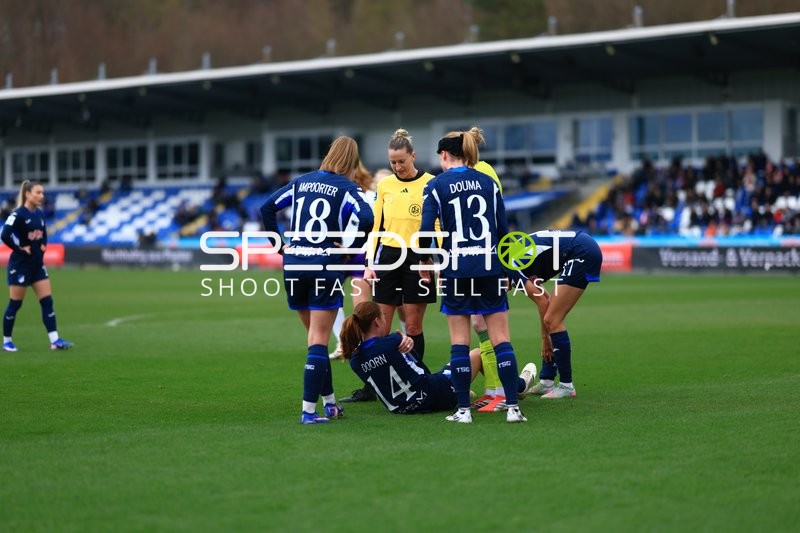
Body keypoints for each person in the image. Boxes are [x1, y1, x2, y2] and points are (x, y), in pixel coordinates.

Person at [260, 136, 374, 425]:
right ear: (352, 161)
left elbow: (267, 208)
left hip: (294, 265)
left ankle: (330, 404)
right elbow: (367, 218)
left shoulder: (302, 182)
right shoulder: (347, 187)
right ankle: (309, 412)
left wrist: (280, 247)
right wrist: (349, 250)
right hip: (323, 265)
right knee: (319, 341)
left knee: (315, 341)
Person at [419, 131, 527, 424]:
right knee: (501, 340)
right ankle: (513, 408)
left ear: (444, 155)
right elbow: (503, 233)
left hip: (456, 269)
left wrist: (425, 260)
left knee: (459, 342)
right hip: (490, 267)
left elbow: (425, 231)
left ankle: (464, 411)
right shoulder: (489, 183)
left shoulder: (435, 185)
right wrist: (510, 270)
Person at [343, 129, 437, 403]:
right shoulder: (385, 185)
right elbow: (377, 226)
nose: (397, 167)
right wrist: (370, 263)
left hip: (418, 257)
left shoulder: (430, 183)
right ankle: (372, 387)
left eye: (401, 161)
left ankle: (416, 380)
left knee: (413, 327)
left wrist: (433, 257)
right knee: (378, 329)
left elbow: (436, 225)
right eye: (393, 162)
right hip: (388, 257)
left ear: (413, 156)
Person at [340, 301, 536, 416]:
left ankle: (465, 389)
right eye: (383, 317)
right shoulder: (393, 340)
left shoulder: (355, 360)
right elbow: (421, 370)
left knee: (453, 372)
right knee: (475, 354)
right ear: (376, 321)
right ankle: (518, 386)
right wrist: (408, 345)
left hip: (400, 408)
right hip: (431, 396)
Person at [506, 230, 603, 398]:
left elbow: (542, 303)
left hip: (580, 251)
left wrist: (545, 339)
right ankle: (547, 380)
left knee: (553, 320)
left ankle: (566, 385)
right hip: (581, 246)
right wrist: (545, 337)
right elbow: (544, 300)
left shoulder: (511, 268)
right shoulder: (513, 261)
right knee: (551, 318)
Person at [1, 180, 73, 352]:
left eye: (42, 193)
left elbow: (44, 233)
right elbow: (4, 234)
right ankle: (7, 341)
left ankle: (55, 341)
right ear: (27, 194)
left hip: (37, 265)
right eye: (38, 193)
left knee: (47, 301)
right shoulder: (18, 214)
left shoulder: (39, 214)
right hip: (20, 266)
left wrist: (44, 245)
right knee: (15, 304)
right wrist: (19, 249)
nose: (42, 196)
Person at [329, 162, 376, 359]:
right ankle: (343, 342)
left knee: (360, 304)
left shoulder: (370, 197)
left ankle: (361, 344)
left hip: (358, 254)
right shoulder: (336, 196)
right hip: (340, 252)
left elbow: (373, 226)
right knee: (332, 300)